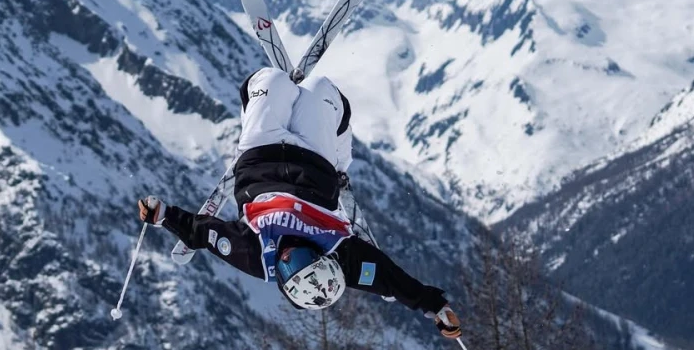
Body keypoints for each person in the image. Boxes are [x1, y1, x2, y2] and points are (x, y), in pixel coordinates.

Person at [137, 67, 461, 339]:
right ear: (321, 258)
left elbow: (204, 233)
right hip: (315, 159)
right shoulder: (342, 257)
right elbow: (391, 279)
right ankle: (338, 157)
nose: (288, 256)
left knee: (267, 81)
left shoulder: (255, 256)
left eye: (287, 268)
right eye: (303, 259)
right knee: (324, 90)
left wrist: (162, 215)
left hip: (259, 154)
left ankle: (275, 97)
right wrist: (435, 307)